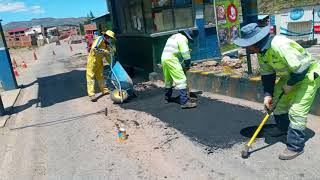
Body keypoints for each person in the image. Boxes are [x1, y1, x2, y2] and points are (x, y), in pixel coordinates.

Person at [233, 23, 320, 160]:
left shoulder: (280, 45)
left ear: (254, 42)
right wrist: (267, 95)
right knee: (277, 104)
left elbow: (302, 67)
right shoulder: (262, 52)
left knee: (297, 111)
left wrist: (290, 84)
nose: (245, 48)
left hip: (308, 75)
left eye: (246, 45)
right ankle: (283, 128)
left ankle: (295, 145)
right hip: (291, 75)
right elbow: (268, 75)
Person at [161, 29, 197, 109]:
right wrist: (188, 64)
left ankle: (167, 98)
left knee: (168, 79)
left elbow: (175, 51)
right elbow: (185, 54)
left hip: (164, 58)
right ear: (187, 36)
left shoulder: (173, 37)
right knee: (181, 80)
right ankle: (184, 102)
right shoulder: (183, 39)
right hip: (172, 59)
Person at [86, 30, 116, 102]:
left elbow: (108, 56)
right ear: (106, 36)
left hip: (99, 61)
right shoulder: (100, 39)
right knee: (90, 77)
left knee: (100, 76)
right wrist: (105, 51)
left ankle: (104, 90)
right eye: (110, 38)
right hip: (92, 61)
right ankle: (91, 94)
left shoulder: (106, 43)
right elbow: (94, 48)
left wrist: (112, 63)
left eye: (111, 38)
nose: (110, 39)